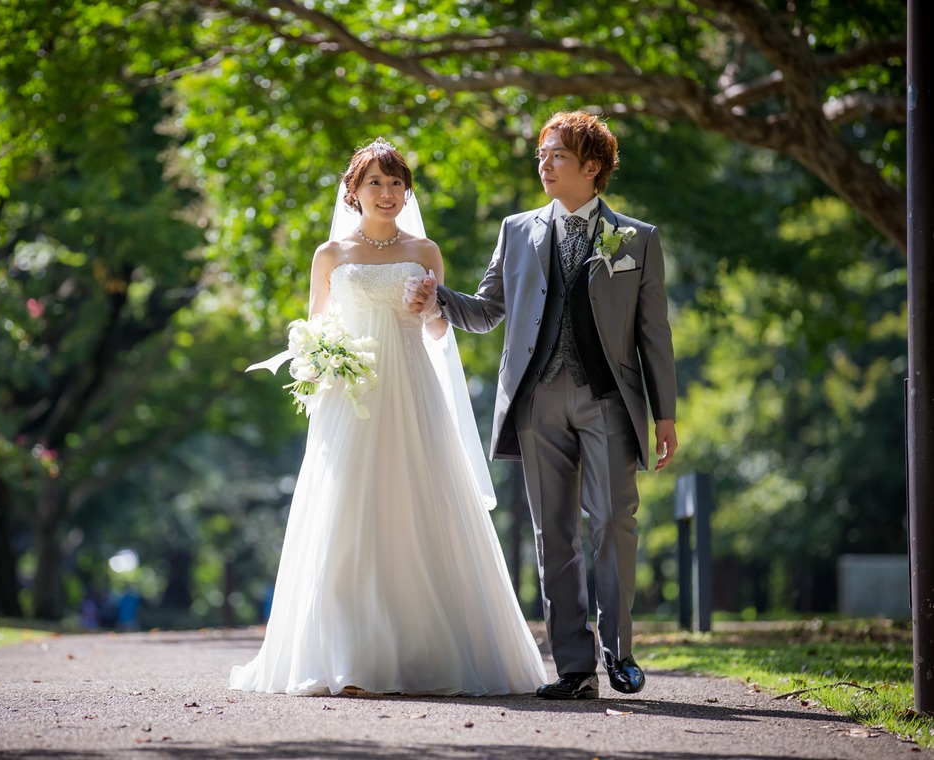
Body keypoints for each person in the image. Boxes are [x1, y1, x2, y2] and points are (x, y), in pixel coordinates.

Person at [231, 138, 546, 696]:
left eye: (396, 183)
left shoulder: (425, 252)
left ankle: (427, 652)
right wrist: (326, 361)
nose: (387, 193)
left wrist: (431, 310)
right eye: (375, 182)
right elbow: (312, 333)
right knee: (348, 510)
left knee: (417, 504)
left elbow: (439, 333)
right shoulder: (330, 255)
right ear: (352, 191)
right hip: (350, 401)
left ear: (407, 191)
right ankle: (350, 657)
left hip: (410, 389)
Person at [405, 111, 678, 700]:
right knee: (553, 533)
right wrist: (438, 297)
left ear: (592, 167)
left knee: (612, 524)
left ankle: (621, 653)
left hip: (609, 399)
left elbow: (653, 333)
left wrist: (665, 415)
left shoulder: (636, 239)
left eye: (556, 155)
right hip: (537, 400)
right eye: (542, 155)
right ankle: (575, 669)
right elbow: (486, 309)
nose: (544, 164)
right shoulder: (517, 229)